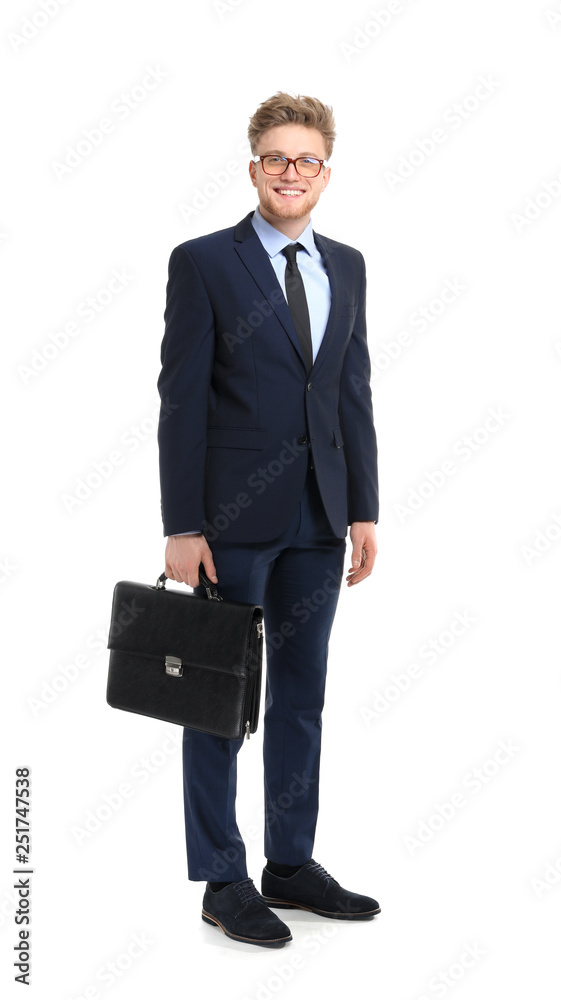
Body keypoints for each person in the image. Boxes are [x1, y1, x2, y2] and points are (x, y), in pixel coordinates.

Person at [157, 92, 380, 948]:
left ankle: (289, 863)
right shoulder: (206, 262)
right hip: (230, 520)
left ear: (326, 171)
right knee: (216, 700)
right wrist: (184, 524)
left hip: (322, 517)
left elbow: (350, 390)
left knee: (302, 698)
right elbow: (181, 400)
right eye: (277, 158)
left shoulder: (348, 264)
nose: (293, 172)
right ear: (254, 168)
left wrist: (363, 505)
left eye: (308, 159)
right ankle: (223, 877)